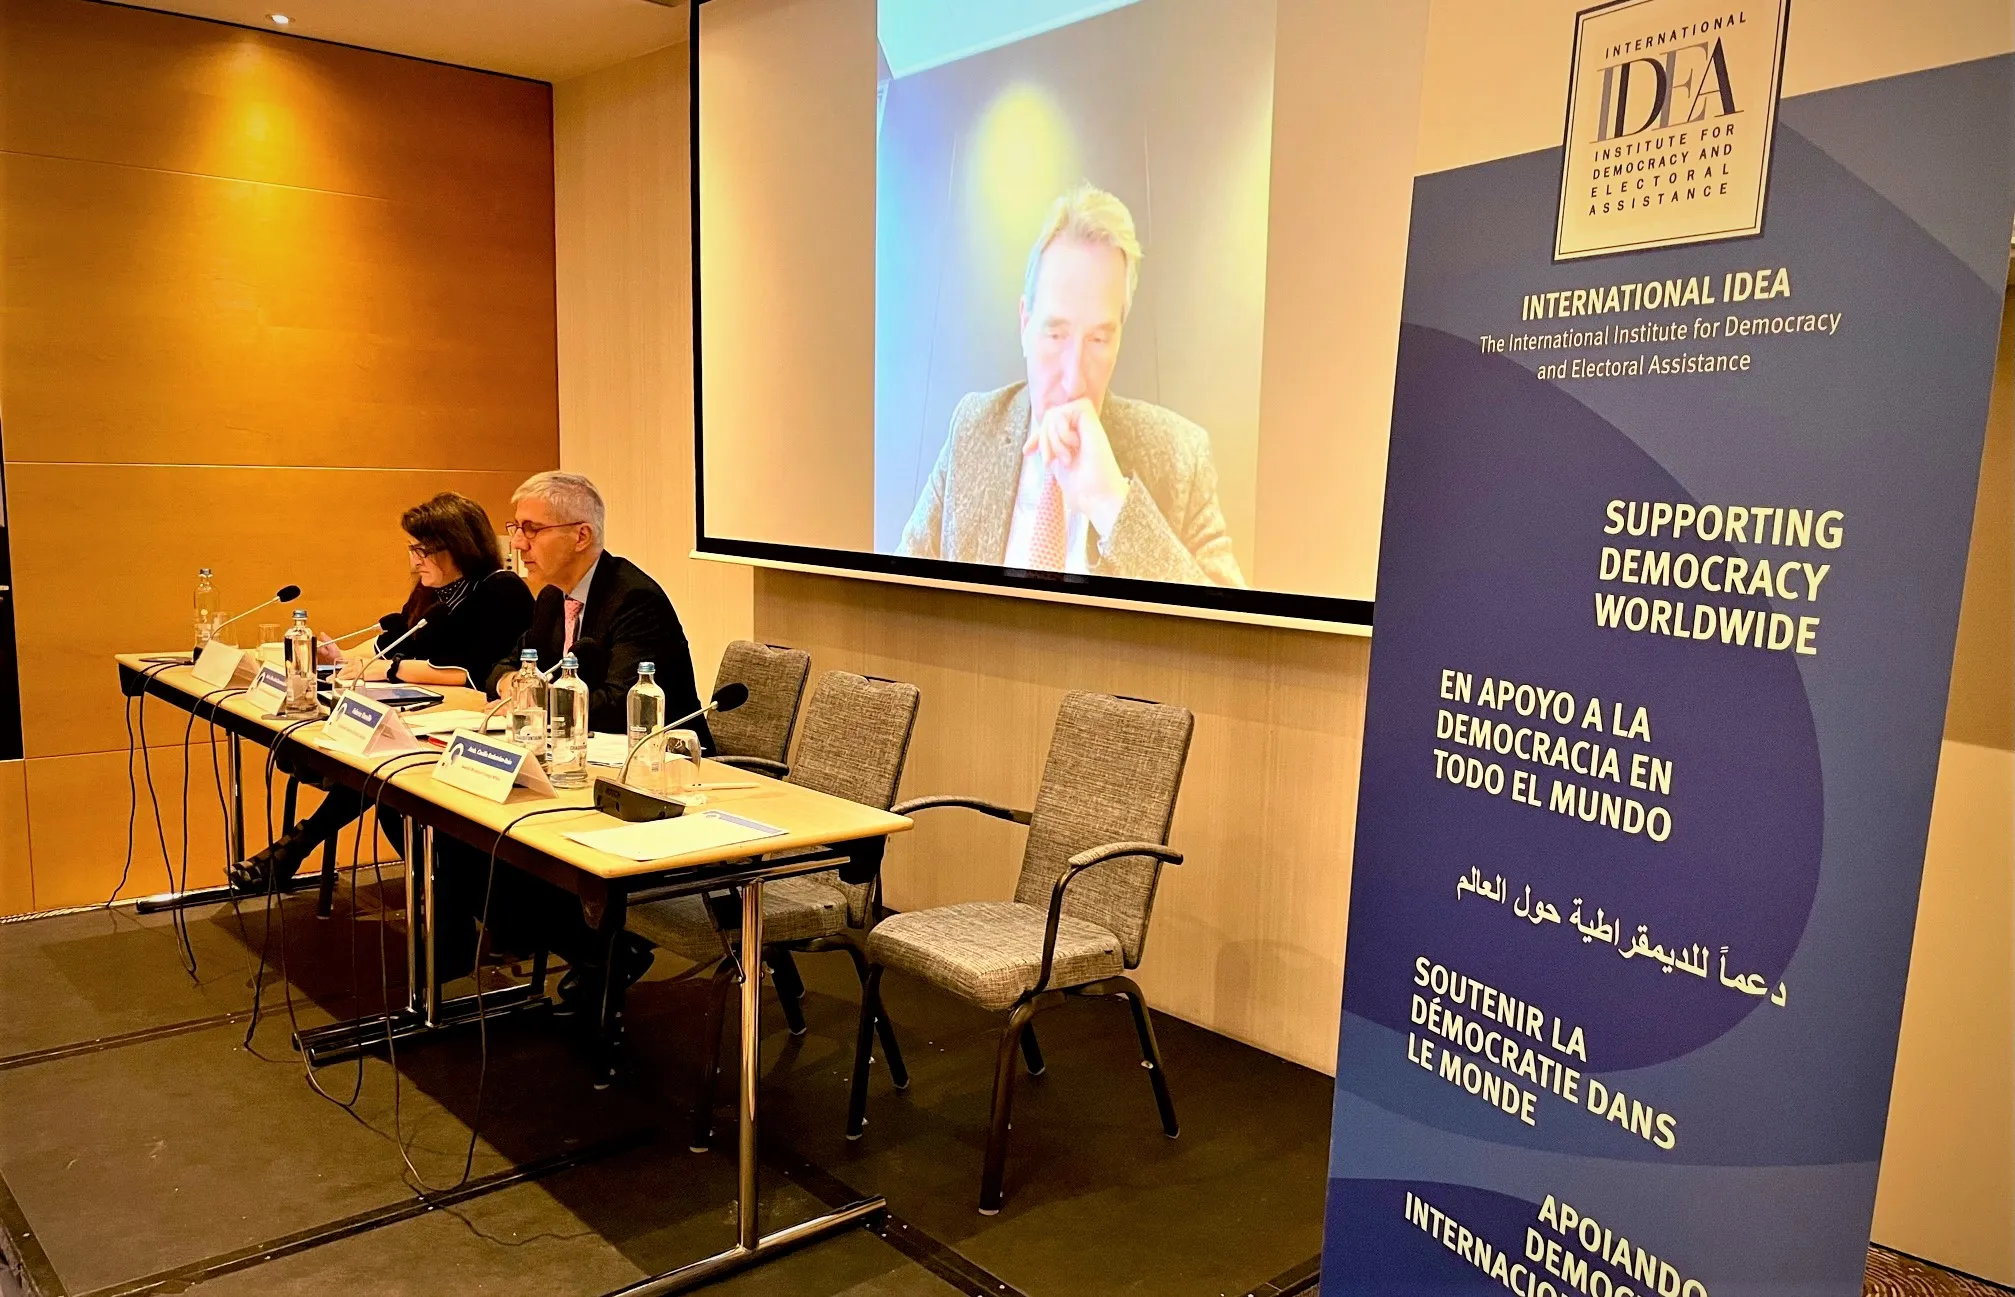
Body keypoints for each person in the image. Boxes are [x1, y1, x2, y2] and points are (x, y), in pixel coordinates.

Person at [895, 183, 1247, 587]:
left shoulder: (1179, 459)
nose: (1073, 378)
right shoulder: (973, 429)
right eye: (1055, 334)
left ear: (1119, 338)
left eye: (1097, 340)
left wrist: (1113, 506)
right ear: (1025, 325)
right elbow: (894, 597)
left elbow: (1230, 626)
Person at [457, 470, 710, 1007]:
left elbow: (619, 704)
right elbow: (505, 666)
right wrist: (518, 685)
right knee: (464, 834)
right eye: (515, 528)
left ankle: (603, 948)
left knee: (508, 843)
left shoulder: (633, 599)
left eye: (531, 529)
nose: (518, 544)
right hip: (580, 762)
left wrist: (530, 694)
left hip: (659, 773)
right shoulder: (553, 598)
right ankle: (598, 950)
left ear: (581, 535)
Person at [227, 493, 532, 896]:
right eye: (412, 549)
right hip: (424, 719)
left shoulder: (501, 590)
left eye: (424, 550)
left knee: (384, 773)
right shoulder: (432, 593)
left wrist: (391, 669)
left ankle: (298, 846)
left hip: (477, 730)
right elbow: (392, 642)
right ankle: (298, 846)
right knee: (375, 766)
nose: (415, 561)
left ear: (459, 545)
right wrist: (339, 660)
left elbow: (478, 673)